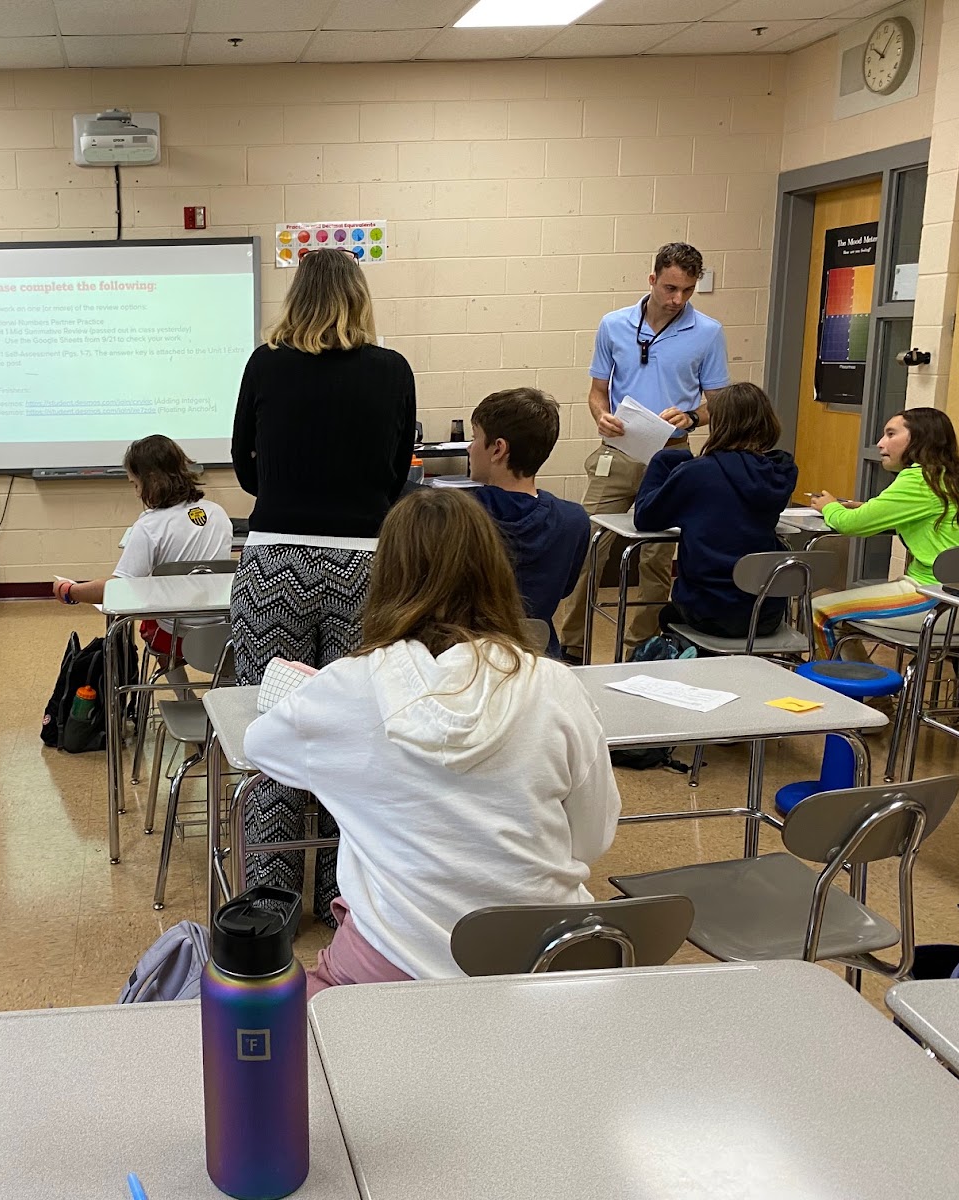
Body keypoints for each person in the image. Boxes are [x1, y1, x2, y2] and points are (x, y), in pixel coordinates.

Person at [243, 488, 620, 993]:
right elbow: (593, 838)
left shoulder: (348, 687)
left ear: (385, 575)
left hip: (393, 967)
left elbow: (261, 745)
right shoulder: (555, 684)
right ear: (494, 571)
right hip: (544, 962)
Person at [229, 246, 416, 923]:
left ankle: (271, 896)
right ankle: (341, 891)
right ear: (360, 297)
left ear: (296, 298)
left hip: (274, 558)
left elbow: (244, 465)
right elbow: (398, 470)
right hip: (363, 565)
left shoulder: (265, 363)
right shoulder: (392, 370)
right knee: (354, 730)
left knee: (274, 723)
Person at [555, 242, 731, 660]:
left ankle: (642, 648)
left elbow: (720, 404)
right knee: (588, 549)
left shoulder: (708, 332)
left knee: (656, 560)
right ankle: (571, 646)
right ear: (652, 279)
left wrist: (692, 416)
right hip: (618, 450)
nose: (678, 299)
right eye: (670, 288)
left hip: (672, 456)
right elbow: (597, 392)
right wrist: (601, 416)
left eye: (688, 290)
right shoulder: (613, 325)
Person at [808, 409, 959, 652]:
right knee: (844, 613)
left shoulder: (919, 480)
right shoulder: (956, 478)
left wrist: (829, 506)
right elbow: (932, 515)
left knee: (820, 611)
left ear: (919, 439)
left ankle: (845, 679)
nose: (880, 443)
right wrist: (869, 509)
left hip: (939, 600)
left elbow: (850, 524)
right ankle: (862, 677)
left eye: (890, 434)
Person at [634, 382, 798, 640]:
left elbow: (645, 517)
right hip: (765, 614)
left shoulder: (697, 473)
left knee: (667, 616)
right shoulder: (782, 472)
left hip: (707, 611)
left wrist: (661, 460)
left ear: (719, 424)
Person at [51, 434, 230, 660]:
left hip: (175, 635)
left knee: (149, 622)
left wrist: (70, 591)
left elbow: (119, 589)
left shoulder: (149, 526)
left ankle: (176, 679)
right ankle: (220, 679)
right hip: (224, 630)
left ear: (152, 480)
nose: (137, 493)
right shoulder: (218, 513)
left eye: (136, 484)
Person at [464, 388, 588, 656]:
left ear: (498, 449)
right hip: (539, 656)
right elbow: (565, 589)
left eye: (474, 438)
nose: (469, 447)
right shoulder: (573, 520)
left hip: (466, 656)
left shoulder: (459, 514)